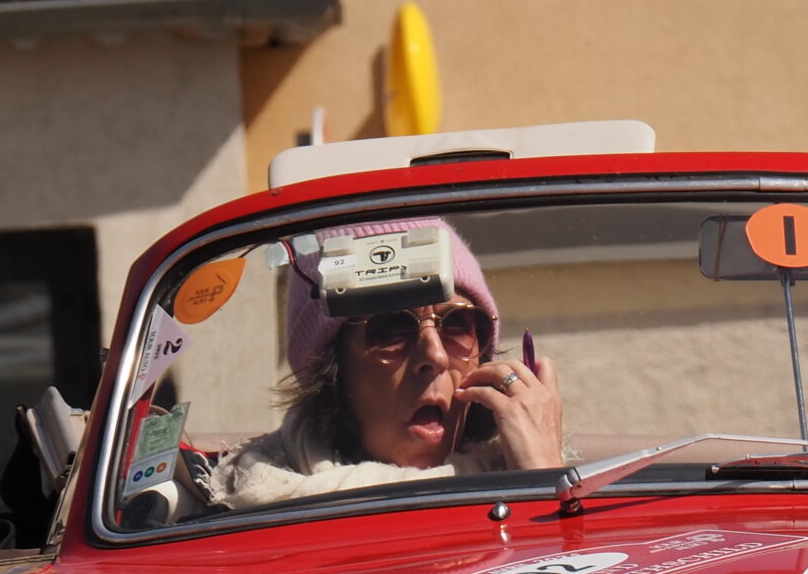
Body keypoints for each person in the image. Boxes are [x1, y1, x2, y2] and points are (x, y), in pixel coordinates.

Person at [210, 217, 565, 509]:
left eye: (458, 325)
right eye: (392, 329)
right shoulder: (256, 505)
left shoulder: (514, 476)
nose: (436, 356)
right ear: (331, 371)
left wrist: (544, 479)